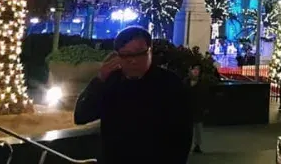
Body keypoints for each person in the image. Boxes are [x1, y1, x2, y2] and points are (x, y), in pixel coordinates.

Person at [74, 26, 193, 164]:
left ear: (150, 50)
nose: (133, 61)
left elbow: (182, 136)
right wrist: (99, 80)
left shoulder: (169, 84)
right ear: (117, 56)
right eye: (126, 55)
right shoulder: (112, 82)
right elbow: (81, 116)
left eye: (139, 53)